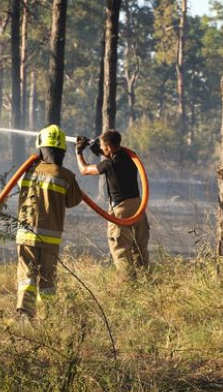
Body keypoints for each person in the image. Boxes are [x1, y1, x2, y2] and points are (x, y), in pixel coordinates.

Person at [15, 124, 82, 319]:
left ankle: (25, 316)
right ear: (62, 150)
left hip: (26, 235)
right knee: (47, 280)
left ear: (41, 148)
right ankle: (48, 316)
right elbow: (73, 201)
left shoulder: (26, 171)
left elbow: (17, 187)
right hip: (50, 239)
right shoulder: (65, 176)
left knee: (26, 277)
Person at [75, 129, 149, 279]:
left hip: (120, 211)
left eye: (102, 146)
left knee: (121, 249)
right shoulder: (130, 156)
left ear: (108, 147)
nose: (101, 149)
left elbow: (84, 170)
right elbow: (111, 154)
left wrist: (78, 152)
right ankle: (145, 280)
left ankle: (127, 285)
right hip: (138, 207)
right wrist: (95, 146)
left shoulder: (109, 164)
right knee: (140, 249)